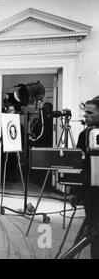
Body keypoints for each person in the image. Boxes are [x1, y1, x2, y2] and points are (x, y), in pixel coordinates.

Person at [69, 98, 99, 259]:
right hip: (91, 193)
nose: (85, 116)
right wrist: (74, 192)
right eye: (85, 112)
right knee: (94, 237)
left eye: (90, 113)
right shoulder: (84, 135)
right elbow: (77, 166)